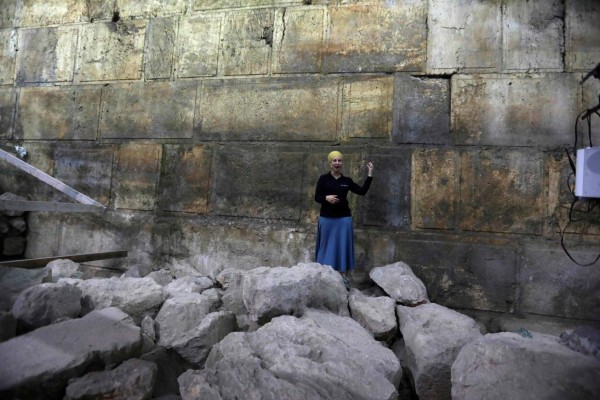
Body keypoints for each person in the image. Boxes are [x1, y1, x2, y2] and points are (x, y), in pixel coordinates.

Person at [314, 150, 373, 288]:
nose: (337, 163)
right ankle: (323, 276)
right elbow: (317, 197)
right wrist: (326, 198)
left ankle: (342, 277)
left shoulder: (347, 181)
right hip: (327, 219)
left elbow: (362, 191)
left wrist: (369, 174)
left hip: (343, 220)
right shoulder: (323, 179)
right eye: (334, 160)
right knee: (325, 247)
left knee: (342, 247)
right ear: (330, 163)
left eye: (339, 160)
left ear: (342, 163)